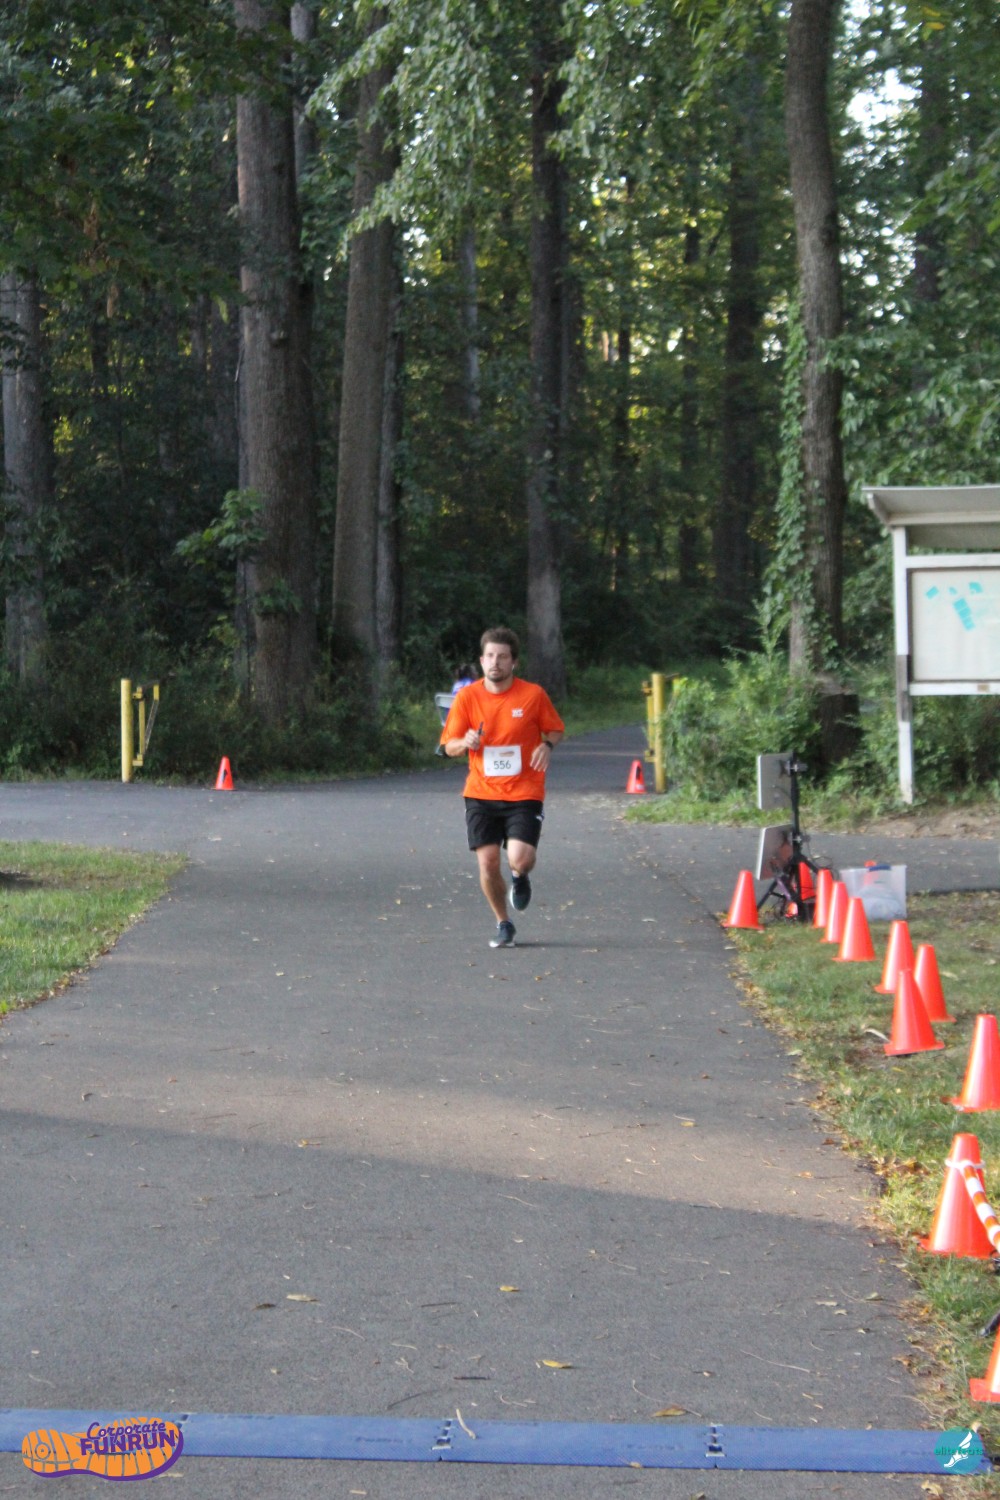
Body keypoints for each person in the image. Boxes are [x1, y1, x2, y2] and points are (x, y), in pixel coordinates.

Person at [440, 626, 565, 948]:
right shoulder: (467, 698)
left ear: (514, 662)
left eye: (503, 657)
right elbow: (448, 746)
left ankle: (520, 877)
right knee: (488, 862)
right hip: (481, 792)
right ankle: (503, 923)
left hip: (524, 790)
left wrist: (547, 746)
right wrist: (465, 742)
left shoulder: (533, 695)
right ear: (481, 661)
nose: (496, 662)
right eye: (490, 656)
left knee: (520, 859)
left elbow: (555, 729)